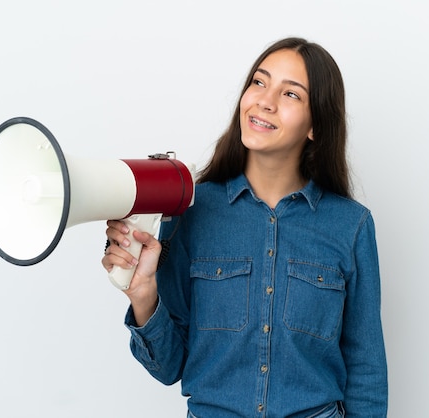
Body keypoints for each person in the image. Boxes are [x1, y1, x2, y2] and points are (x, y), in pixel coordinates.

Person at [102, 37, 388, 418]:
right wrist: (143, 295)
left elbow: (366, 371)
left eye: (290, 94)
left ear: (315, 125)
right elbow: (170, 368)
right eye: (259, 82)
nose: (265, 101)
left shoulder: (351, 226)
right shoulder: (190, 212)